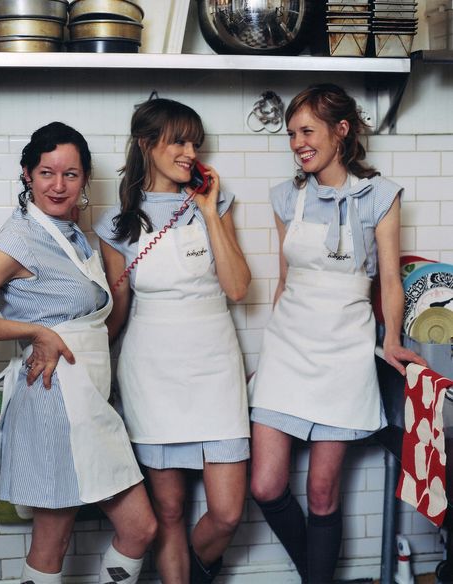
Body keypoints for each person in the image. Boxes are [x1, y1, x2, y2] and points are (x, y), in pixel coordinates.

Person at [248, 84, 427, 584]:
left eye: (307, 131)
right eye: (291, 134)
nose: (297, 143)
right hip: (287, 350)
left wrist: (391, 340)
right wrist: (268, 352)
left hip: (344, 353)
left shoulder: (380, 195)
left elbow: (389, 279)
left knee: (324, 492)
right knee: (265, 485)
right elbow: (284, 281)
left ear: (340, 130)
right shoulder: (286, 198)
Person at [0, 122, 157, 584]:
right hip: (53, 402)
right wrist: (34, 331)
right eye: (46, 173)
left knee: (140, 528)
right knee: (52, 541)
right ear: (26, 176)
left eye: (71, 175)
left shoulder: (73, 233)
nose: (58, 186)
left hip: (87, 400)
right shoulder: (18, 238)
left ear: (85, 179)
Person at [94, 98, 251, 584]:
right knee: (168, 513)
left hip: (215, 370)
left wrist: (206, 210)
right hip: (152, 374)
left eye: (195, 144)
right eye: (179, 141)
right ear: (147, 144)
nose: (189, 152)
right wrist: (82, 369)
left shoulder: (213, 202)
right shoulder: (116, 226)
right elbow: (117, 315)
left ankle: (195, 572)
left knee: (226, 512)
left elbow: (238, 287)